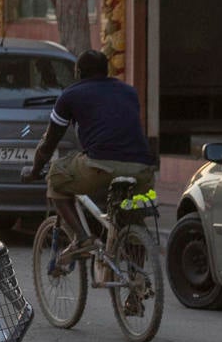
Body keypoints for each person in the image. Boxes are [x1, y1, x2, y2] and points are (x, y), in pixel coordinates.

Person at [23, 50, 157, 252]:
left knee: (56, 176)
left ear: (78, 73)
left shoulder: (71, 95)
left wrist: (34, 171)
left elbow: (49, 143)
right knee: (131, 214)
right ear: (106, 71)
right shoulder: (129, 92)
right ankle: (137, 265)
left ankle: (82, 238)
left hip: (100, 165)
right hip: (143, 169)